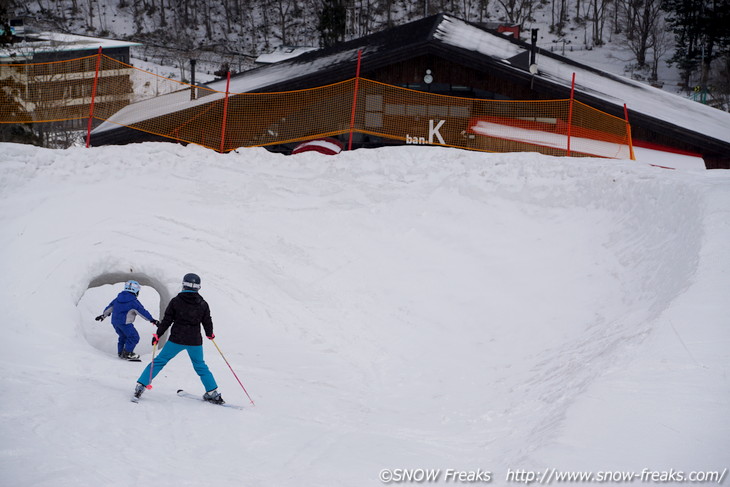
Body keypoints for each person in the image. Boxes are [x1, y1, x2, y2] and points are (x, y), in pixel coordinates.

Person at [133, 273, 224, 404]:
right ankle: (212, 393)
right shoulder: (202, 304)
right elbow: (207, 321)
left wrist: (158, 334)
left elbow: (167, 320)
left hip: (177, 339)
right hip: (194, 341)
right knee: (200, 366)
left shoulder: (176, 301)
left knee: (159, 361)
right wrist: (210, 334)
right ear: (198, 287)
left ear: (183, 285)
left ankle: (141, 386)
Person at [95, 280, 159, 361]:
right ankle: (127, 353)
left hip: (115, 323)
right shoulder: (133, 302)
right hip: (125, 323)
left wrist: (103, 315)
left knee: (123, 336)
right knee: (134, 337)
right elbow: (142, 312)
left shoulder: (118, 298)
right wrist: (152, 320)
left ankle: (121, 352)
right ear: (135, 291)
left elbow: (110, 307)